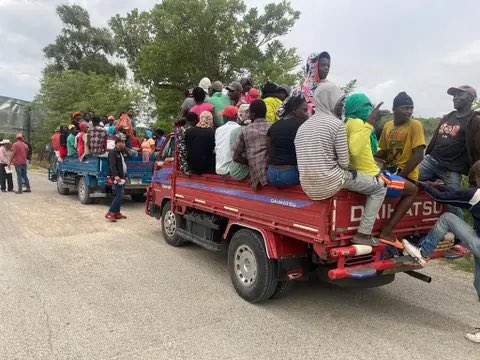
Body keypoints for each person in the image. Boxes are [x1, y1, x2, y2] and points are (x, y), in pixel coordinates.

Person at [295, 82, 386, 246]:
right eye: (340, 102)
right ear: (329, 101)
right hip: (330, 182)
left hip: (307, 186)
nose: (342, 107)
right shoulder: (336, 124)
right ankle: (363, 234)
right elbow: (344, 163)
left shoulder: (303, 126)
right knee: (380, 187)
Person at [402, 160, 480, 343]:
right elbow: (455, 194)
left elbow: (441, 198)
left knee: (447, 218)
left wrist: (420, 184)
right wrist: (440, 186)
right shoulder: (473, 194)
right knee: (479, 283)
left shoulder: (475, 194)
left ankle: (423, 253)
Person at [344, 93, 418, 247]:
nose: (369, 109)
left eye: (369, 105)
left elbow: (367, 153)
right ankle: (386, 231)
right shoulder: (358, 123)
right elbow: (356, 149)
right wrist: (370, 123)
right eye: (365, 106)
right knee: (412, 190)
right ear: (355, 107)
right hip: (373, 176)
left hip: (365, 172)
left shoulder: (349, 122)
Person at [419, 85, 480, 218]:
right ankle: (422, 218)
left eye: (460, 94)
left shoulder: (475, 121)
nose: (455, 98)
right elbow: (436, 138)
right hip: (431, 160)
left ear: (471, 98)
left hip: (451, 169)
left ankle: (460, 232)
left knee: (454, 202)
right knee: (410, 180)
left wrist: (475, 174)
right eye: (454, 95)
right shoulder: (448, 116)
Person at [376, 92, 426, 181]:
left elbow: (419, 155)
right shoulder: (388, 125)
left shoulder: (415, 125)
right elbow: (383, 151)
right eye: (405, 108)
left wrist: (399, 178)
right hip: (389, 171)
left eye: (411, 108)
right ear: (394, 109)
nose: (409, 112)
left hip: (406, 175)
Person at [267, 96, 308, 186]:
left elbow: (269, 150)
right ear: (294, 110)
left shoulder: (274, 125)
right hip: (290, 175)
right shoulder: (303, 125)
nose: (307, 114)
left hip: (271, 174)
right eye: (304, 110)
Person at [232, 100, 271, 190]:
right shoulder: (273, 126)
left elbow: (236, 157)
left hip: (257, 177)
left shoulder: (245, 130)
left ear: (252, 114)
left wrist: (250, 163)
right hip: (272, 173)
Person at [105, 138, 128, 222]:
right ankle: (110, 213)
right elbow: (112, 165)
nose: (124, 144)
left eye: (124, 142)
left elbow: (123, 165)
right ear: (117, 143)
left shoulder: (120, 153)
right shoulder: (112, 153)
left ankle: (117, 213)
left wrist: (125, 175)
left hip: (122, 177)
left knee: (121, 195)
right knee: (119, 195)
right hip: (117, 177)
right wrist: (115, 176)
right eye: (122, 143)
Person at [215, 106, 240, 175]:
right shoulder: (240, 129)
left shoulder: (219, 130)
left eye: (223, 116)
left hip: (219, 169)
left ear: (226, 118)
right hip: (233, 170)